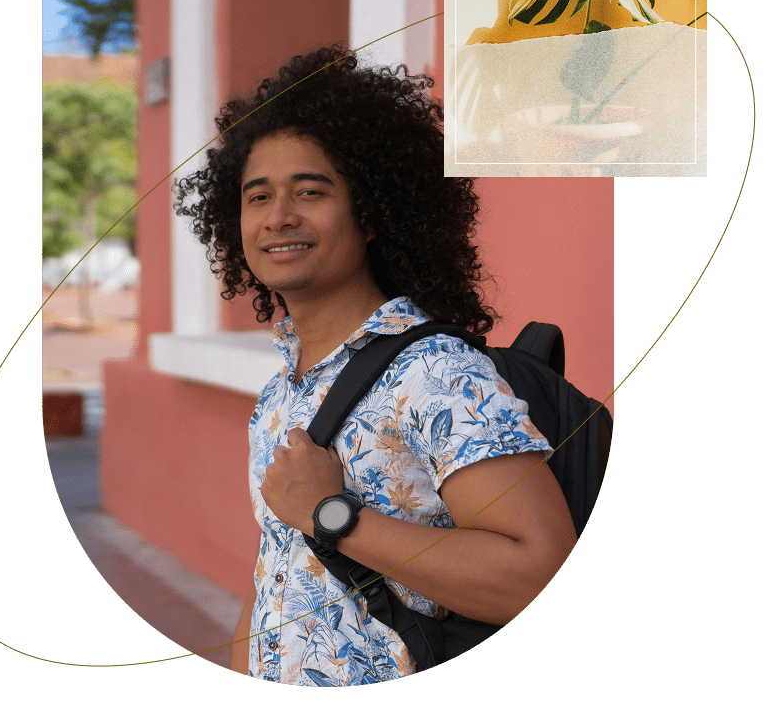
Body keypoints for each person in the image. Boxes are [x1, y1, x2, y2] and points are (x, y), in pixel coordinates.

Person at [174, 45, 577, 685]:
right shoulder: (283, 390)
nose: (279, 216)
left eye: (311, 191)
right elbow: (279, 573)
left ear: (372, 214)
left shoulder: (436, 374)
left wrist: (333, 516)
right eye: (257, 196)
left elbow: (540, 577)